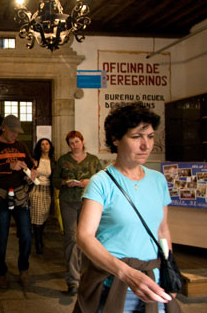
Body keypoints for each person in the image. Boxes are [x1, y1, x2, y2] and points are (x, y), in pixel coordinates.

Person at [75, 102, 179, 312]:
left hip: (153, 283)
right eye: (136, 137)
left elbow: (162, 230)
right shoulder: (101, 182)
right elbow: (84, 237)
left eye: (149, 136)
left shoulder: (158, 180)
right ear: (115, 139)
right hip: (115, 285)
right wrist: (127, 273)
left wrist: (170, 272)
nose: (146, 145)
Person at [0, 115, 37, 289]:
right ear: (4, 128)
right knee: (1, 237)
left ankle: (24, 268)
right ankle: (0, 272)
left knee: (27, 236)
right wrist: (9, 167)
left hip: (20, 196)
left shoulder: (21, 146)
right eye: (13, 132)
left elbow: (30, 163)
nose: (15, 135)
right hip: (0, 197)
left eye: (17, 132)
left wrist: (33, 170)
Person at [54, 130, 102, 296]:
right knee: (72, 239)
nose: (75, 145)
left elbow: (104, 181)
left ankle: (93, 277)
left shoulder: (93, 161)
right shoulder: (63, 160)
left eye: (77, 142)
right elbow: (55, 181)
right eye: (71, 143)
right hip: (68, 202)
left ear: (82, 141)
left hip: (89, 203)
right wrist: (65, 182)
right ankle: (73, 281)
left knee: (90, 238)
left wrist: (90, 181)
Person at [29, 138, 55, 255]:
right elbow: (28, 174)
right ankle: (38, 242)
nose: (45, 146)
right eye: (42, 144)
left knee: (44, 215)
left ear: (50, 146)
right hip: (36, 189)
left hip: (47, 190)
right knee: (37, 216)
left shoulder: (53, 161)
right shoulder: (35, 160)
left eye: (47, 144)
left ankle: (39, 237)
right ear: (39, 147)